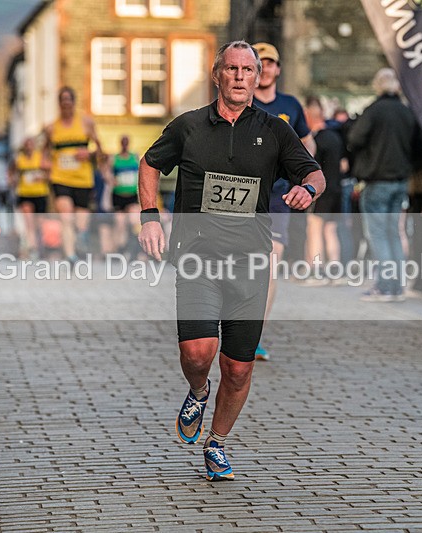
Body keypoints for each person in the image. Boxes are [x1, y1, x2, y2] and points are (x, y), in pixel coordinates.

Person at [137, 40, 325, 481]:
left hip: (250, 261)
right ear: (217, 74)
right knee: (198, 353)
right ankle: (198, 391)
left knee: (238, 367)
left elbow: (313, 171)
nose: (240, 76)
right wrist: (150, 219)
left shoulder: (275, 130)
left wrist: (309, 190)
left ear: (258, 77)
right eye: (232, 69)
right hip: (198, 257)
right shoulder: (187, 127)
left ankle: (217, 443)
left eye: (248, 69)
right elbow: (148, 165)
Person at [251, 41, 316, 360]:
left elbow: (308, 144)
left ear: (278, 69)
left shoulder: (290, 105)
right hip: (242, 194)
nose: (265, 68)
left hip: (278, 196)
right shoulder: (239, 101)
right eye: (257, 62)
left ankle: (253, 337)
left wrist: (303, 177)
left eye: (270, 62)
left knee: (270, 264)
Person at [348, 68, 422, 302]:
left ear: (378, 86)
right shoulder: (407, 112)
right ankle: (397, 286)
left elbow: (354, 139)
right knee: (394, 234)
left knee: (378, 236)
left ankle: (385, 286)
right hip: (400, 181)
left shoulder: (374, 110)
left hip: (376, 179)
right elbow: (420, 145)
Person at [42, 87, 103, 263]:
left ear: (74, 102)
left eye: (69, 100)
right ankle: (70, 256)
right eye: (63, 100)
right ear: (59, 104)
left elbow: (100, 150)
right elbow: (45, 150)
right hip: (60, 178)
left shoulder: (86, 123)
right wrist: (45, 162)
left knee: (80, 223)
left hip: (83, 179)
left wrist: (89, 154)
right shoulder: (51, 128)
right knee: (65, 216)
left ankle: (78, 242)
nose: (66, 103)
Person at [304, 96, 344, 280]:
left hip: (322, 191)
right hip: (337, 189)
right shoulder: (336, 137)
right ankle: (335, 271)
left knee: (315, 228)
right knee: (330, 230)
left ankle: (316, 271)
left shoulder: (317, 141)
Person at [10, 137, 50, 260]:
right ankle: (32, 248)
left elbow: (50, 173)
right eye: (27, 145)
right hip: (25, 193)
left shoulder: (40, 157)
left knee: (40, 223)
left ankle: (40, 246)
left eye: (31, 144)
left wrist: (42, 177)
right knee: (29, 223)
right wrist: (13, 181)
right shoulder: (19, 159)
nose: (29, 147)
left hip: (40, 193)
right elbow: (11, 172)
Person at [109, 135, 141, 253]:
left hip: (132, 195)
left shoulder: (135, 157)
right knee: (120, 224)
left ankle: (136, 249)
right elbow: (108, 173)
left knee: (135, 221)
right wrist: (111, 180)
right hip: (118, 195)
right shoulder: (114, 159)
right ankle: (119, 249)